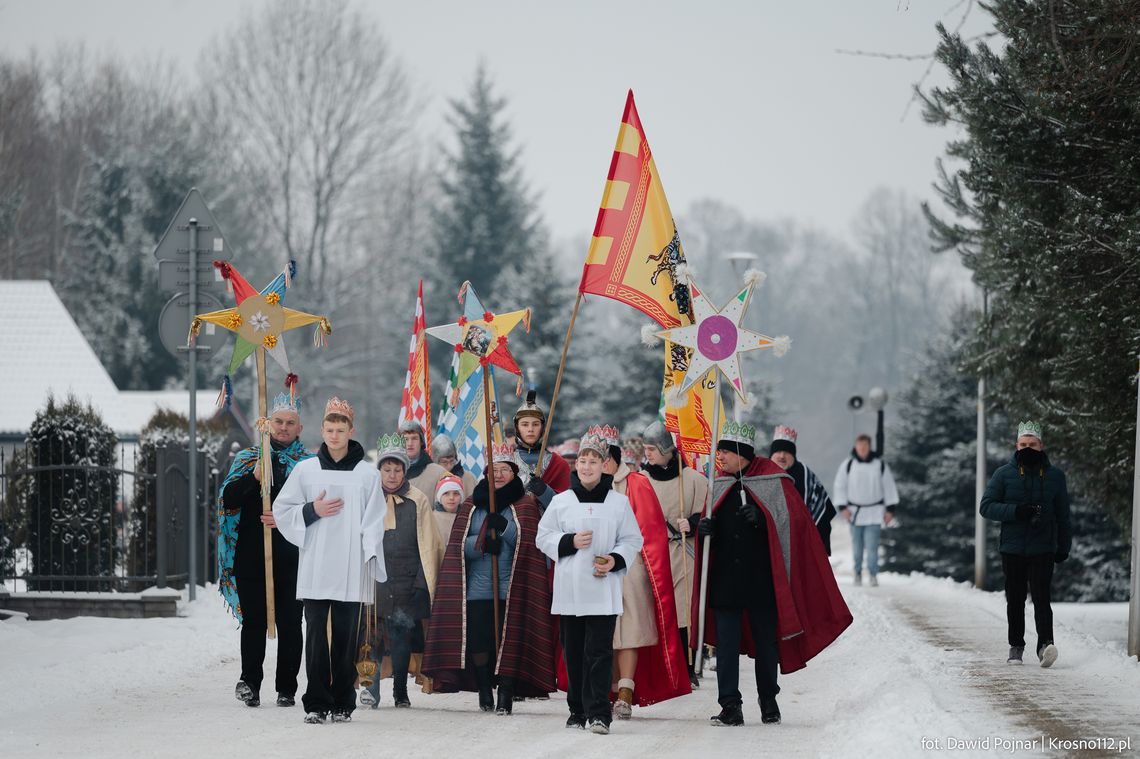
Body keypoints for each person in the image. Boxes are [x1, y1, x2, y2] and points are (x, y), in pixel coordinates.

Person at [693, 420, 852, 727]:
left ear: (743, 454)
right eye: (718, 452)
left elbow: (794, 528)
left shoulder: (775, 482)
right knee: (726, 647)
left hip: (762, 580)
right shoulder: (718, 484)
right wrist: (704, 530)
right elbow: (707, 533)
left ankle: (768, 699)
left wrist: (763, 521)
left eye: (725, 452)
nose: (720, 457)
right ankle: (730, 706)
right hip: (725, 580)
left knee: (766, 645)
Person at [272, 397, 387, 724]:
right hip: (318, 564)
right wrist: (312, 511)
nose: (335, 435)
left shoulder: (366, 474)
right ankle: (316, 702)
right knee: (317, 638)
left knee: (345, 638)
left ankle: (342, 702)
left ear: (351, 430)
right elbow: (283, 510)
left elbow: (375, 518)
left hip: (351, 566)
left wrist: (370, 552)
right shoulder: (305, 471)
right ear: (322, 430)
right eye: (330, 429)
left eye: (341, 429)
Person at [423, 442, 556, 714]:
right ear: (486, 471)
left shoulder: (525, 504)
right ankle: (485, 686)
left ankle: (506, 691)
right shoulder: (472, 504)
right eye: (494, 469)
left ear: (514, 472)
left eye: (504, 469)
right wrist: (481, 542)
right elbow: (458, 546)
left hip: (513, 587)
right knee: (479, 640)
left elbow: (530, 543)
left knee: (510, 640)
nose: (498, 474)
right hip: (477, 589)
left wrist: (505, 528)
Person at [536, 426, 644, 736]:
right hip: (570, 590)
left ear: (604, 465)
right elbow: (543, 537)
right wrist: (569, 541)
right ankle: (576, 709)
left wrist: (614, 560)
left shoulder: (618, 503)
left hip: (602, 588)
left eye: (593, 461)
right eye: (582, 460)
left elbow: (632, 539)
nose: (586, 466)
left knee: (599, 652)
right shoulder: (562, 501)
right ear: (576, 465)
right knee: (573, 652)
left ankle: (599, 712)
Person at [218, 392, 313, 709]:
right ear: (268, 424)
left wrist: (287, 517)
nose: (283, 428)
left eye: (290, 423)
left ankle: (287, 687)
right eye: (278, 422)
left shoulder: (308, 466)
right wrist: (254, 477)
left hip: (291, 556)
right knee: (254, 622)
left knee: (290, 623)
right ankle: (250, 683)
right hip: (251, 553)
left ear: (299, 428)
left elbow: (316, 510)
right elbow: (228, 499)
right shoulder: (249, 458)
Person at [597, 425, 690, 719]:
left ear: (612, 457)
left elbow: (649, 530)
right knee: (602, 632)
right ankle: (607, 690)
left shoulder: (636, 483)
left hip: (629, 567)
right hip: (597, 567)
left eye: (602, 457)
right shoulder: (589, 484)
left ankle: (625, 689)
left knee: (629, 630)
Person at [358, 433, 443, 709]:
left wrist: (421, 581)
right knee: (370, 639)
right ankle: (370, 688)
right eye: (387, 470)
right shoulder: (369, 498)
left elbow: (428, 542)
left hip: (406, 580)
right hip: (375, 580)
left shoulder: (417, 500)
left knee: (401, 636)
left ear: (404, 471)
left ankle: (400, 690)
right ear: (379, 470)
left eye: (397, 470)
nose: (392, 476)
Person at [980, 421, 1071, 667]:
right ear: (1016, 446)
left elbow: (1063, 515)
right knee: (1016, 598)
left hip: (1043, 547)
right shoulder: (1003, 474)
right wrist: (1017, 511)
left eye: (1032, 444)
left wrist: (1064, 545)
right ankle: (1016, 646)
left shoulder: (1055, 477)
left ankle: (1045, 646)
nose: (1027, 448)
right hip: (1012, 547)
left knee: (1042, 598)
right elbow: (986, 506)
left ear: (1041, 446)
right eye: (1023, 445)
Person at [641, 420, 708, 688]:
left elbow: (707, 512)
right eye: (645, 449)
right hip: (653, 553)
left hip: (683, 551)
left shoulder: (692, 479)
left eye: (652, 449)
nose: (648, 454)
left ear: (667, 449)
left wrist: (692, 522)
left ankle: (687, 666)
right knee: (653, 609)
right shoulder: (642, 480)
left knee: (682, 611)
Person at [832, 433, 899, 586]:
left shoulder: (879, 465)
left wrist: (890, 509)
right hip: (855, 512)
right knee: (857, 548)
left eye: (865, 446)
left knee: (872, 547)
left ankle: (873, 574)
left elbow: (888, 487)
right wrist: (843, 507)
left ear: (869, 447)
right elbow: (840, 486)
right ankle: (857, 573)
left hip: (875, 512)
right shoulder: (848, 465)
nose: (862, 449)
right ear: (856, 446)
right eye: (859, 446)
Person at [768, 425, 837, 555]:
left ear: (794, 455)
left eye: (787, 452)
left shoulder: (805, 475)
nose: (782, 456)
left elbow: (822, 510)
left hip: (801, 543)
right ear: (771, 454)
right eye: (778, 451)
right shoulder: (762, 474)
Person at [511, 390, 572, 509]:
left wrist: (544, 492)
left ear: (543, 427)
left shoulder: (557, 463)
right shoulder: (506, 462)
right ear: (517, 428)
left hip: (548, 526)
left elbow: (567, 508)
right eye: (524, 424)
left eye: (535, 424)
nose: (530, 429)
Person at [401, 420, 449, 500]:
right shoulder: (390, 474)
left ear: (421, 442)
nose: (410, 443)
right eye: (405, 439)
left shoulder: (439, 473)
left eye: (414, 438)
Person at [432, 474, 465, 546]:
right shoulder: (432, 518)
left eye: (456, 493)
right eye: (446, 493)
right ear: (439, 496)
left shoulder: (466, 517)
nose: (451, 498)